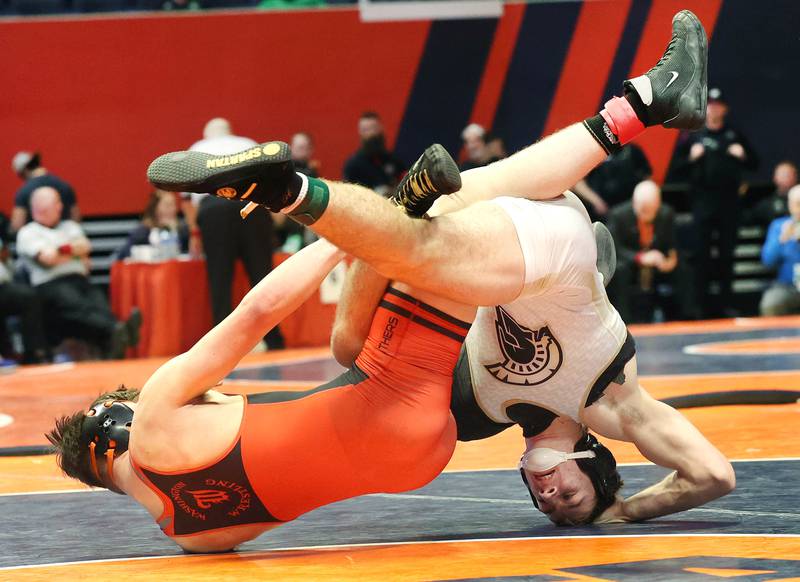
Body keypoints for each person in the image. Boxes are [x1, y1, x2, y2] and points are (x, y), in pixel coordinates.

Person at [50, 11, 729, 550]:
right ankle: (299, 192)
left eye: (550, 502)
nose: (550, 498)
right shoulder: (609, 396)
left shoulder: (191, 537)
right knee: (429, 233)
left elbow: (709, 475)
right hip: (440, 361)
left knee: (360, 333)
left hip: (413, 453)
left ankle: (402, 206)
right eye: (565, 498)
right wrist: (335, 243)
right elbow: (258, 315)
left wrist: (616, 513)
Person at [179, 117, 284, 350]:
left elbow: (186, 200)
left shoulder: (197, 149)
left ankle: (221, 345)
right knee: (262, 276)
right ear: (231, 132)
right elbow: (270, 180)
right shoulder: (247, 143)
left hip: (213, 210)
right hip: (250, 206)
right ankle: (273, 339)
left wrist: (195, 232)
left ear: (207, 135)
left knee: (220, 279)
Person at [16, 187, 140, 359]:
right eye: (56, 203)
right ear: (40, 207)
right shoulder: (28, 232)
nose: (60, 206)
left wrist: (61, 251)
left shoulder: (69, 226)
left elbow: (85, 247)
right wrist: (72, 252)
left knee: (99, 302)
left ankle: (117, 336)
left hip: (80, 280)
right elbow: (48, 259)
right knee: (78, 305)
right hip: (51, 284)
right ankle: (120, 331)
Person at [673, 87, 758, 317]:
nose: (714, 109)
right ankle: (700, 306)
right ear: (705, 107)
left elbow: (755, 164)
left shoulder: (734, 134)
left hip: (729, 204)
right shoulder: (694, 135)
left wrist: (743, 155)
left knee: (726, 255)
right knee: (701, 255)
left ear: (725, 109)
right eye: (710, 104)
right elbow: (675, 170)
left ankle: (725, 305)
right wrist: (692, 157)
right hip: (702, 203)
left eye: (718, 105)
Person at [607, 180, 683, 323]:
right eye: (643, 210)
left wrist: (671, 260)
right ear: (634, 203)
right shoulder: (618, 215)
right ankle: (624, 321)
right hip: (631, 262)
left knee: (683, 269)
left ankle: (685, 317)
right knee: (620, 271)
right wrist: (639, 257)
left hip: (657, 260)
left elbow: (672, 244)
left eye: (652, 210)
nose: (647, 215)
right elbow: (614, 247)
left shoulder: (667, 213)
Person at [0, 237, 49, 364]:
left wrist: (4, 256)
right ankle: (4, 353)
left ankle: (33, 353)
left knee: (29, 297)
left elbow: (5, 256)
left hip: (3, 285)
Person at [10, 151, 80, 234]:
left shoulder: (23, 192)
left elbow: (17, 224)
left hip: (35, 240)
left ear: (23, 171)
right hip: (64, 239)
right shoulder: (64, 186)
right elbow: (75, 216)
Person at [342, 111, 405, 197]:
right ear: (360, 132)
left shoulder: (394, 160)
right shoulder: (353, 165)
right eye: (366, 130)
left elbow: (407, 185)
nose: (371, 134)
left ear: (381, 128)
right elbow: (348, 195)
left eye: (374, 128)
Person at [759, 185, 800, 316]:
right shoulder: (779, 226)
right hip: (787, 286)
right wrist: (781, 240)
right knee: (771, 303)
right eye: (797, 204)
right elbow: (768, 261)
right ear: (790, 205)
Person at [115, 190, 189, 260]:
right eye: (167, 205)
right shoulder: (142, 232)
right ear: (155, 208)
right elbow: (123, 256)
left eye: (173, 205)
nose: (172, 209)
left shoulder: (183, 230)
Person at [750, 160, 798, 229]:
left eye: (788, 174)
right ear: (775, 178)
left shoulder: (797, 197)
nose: (785, 178)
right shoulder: (766, 204)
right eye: (782, 175)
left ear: (795, 177)